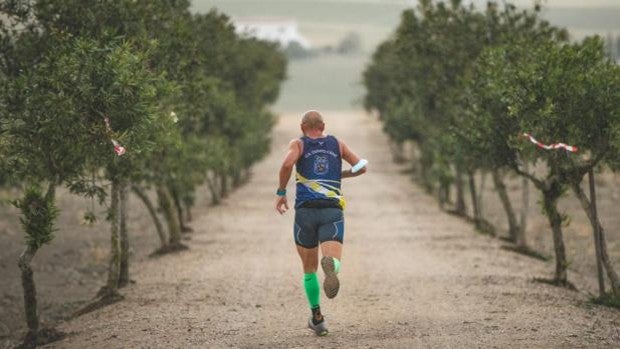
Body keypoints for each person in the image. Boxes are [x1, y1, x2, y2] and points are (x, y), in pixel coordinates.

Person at [275, 110, 367, 336]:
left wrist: (281, 191)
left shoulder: (298, 144)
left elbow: (287, 164)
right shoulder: (337, 143)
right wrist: (338, 175)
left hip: (305, 211)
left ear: (301, 126)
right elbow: (361, 167)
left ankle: (317, 317)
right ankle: (332, 267)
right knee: (333, 259)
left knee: (308, 270)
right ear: (323, 125)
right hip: (331, 210)